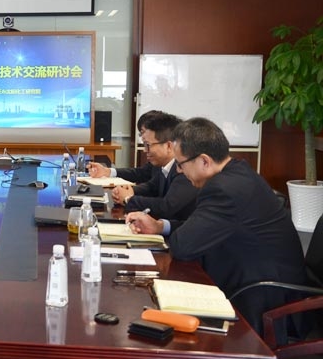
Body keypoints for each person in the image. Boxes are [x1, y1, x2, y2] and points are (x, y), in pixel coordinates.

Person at [125, 117, 307, 333]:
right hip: (253, 279)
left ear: (204, 161)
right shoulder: (236, 171)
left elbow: (183, 246)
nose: (180, 171)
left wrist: (170, 231)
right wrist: (159, 226)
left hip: (265, 301)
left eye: (181, 164)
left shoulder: (224, 189)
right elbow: (200, 227)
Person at [110, 112, 197, 220]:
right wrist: (130, 190)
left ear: (168, 146)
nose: (145, 150)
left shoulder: (185, 170)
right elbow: (152, 187)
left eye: (148, 145)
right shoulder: (165, 165)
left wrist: (128, 199)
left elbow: (166, 207)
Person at [86, 110, 159, 183]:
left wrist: (132, 190)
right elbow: (141, 174)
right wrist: (107, 171)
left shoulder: (161, 164)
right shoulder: (156, 163)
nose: (142, 137)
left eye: (143, 132)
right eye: (141, 133)